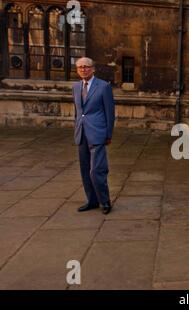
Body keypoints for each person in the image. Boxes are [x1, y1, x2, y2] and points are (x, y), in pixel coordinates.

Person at [72, 57, 115, 215]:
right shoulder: (76, 87)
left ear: (93, 69)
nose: (83, 69)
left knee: (96, 170)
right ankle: (92, 200)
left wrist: (108, 134)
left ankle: (105, 201)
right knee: (84, 170)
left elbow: (109, 113)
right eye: (80, 67)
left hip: (98, 133)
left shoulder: (103, 87)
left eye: (86, 67)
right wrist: (76, 129)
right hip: (81, 133)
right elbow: (77, 112)